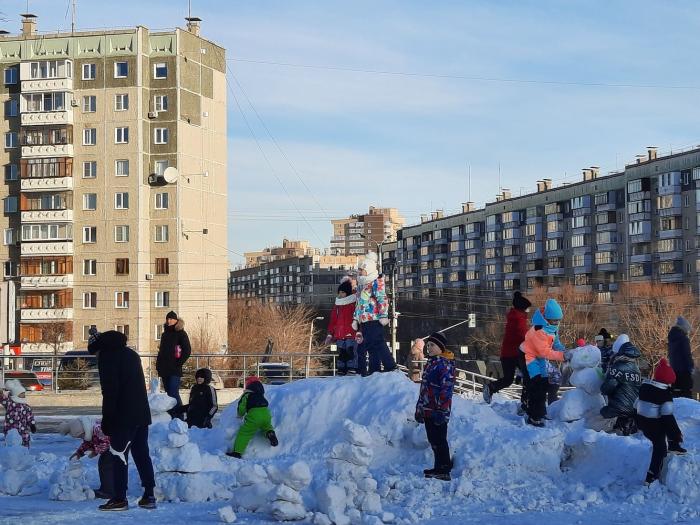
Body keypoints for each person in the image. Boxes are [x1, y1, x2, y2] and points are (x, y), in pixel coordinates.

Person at [88, 329, 156, 511]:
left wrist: (107, 419)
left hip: (123, 415)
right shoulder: (131, 354)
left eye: (95, 352)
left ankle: (119, 498)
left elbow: (110, 391)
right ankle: (149, 495)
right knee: (142, 454)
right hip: (141, 413)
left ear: (100, 348)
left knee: (119, 455)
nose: (95, 357)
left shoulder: (107, 358)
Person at [635, 358, 687, 485]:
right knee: (660, 447)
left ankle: (673, 444)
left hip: (642, 421)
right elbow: (668, 418)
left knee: (662, 429)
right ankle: (651, 476)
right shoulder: (664, 395)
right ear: (668, 381)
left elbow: (635, 405)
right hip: (652, 425)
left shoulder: (645, 387)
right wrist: (677, 435)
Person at [414, 332, 455, 481]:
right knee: (433, 439)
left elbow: (447, 389)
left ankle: (444, 469)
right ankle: (439, 466)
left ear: (441, 347)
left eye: (432, 345)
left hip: (438, 411)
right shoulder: (431, 363)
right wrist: (419, 408)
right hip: (428, 409)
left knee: (440, 439)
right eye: (428, 345)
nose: (429, 348)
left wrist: (442, 410)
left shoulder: (445, 364)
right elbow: (424, 388)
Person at [521, 300, 565, 427]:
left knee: (544, 384)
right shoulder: (538, 330)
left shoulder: (552, 328)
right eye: (554, 320)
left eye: (558, 320)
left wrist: (564, 350)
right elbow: (544, 352)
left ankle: (538, 411)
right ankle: (534, 416)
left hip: (539, 358)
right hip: (528, 357)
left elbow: (555, 343)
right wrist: (563, 356)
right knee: (537, 385)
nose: (556, 323)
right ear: (546, 318)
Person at [483, 291, 531, 404]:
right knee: (528, 377)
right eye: (528, 308)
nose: (529, 310)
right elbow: (524, 336)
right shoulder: (518, 319)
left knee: (509, 379)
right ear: (523, 308)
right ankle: (526, 400)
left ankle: (491, 388)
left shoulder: (515, 317)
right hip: (514, 354)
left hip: (508, 354)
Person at [352, 252, 396, 374]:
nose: (360, 272)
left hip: (374, 319)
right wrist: (356, 319)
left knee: (378, 342)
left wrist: (383, 315)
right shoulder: (362, 285)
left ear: (369, 270)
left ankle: (390, 365)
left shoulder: (376, 282)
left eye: (362, 270)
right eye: (359, 270)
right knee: (371, 345)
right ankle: (374, 369)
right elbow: (359, 304)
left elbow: (382, 299)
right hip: (365, 320)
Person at [59, 417, 113, 499]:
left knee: (106, 465)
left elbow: (105, 444)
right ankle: (113, 487)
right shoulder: (89, 430)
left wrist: (95, 451)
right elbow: (87, 443)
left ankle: (108, 491)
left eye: (81, 436)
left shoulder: (98, 430)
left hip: (115, 446)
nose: (81, 438)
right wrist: (79, 453)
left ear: (84, 431)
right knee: (105, 464)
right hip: (110, 447)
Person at [600, 334, 642, 435]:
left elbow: (606, 389)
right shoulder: (636, 369)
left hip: (618, 409)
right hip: (634, 409)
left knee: (597, 417)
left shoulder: (617, 367)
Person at [226, 376, 278, 458]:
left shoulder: (247, 395)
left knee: (244, 433)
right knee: (266, 427)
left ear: (248, 386)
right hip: (266, 414)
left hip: (254, 415)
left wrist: (240, 415)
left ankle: (237, 452)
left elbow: (241, 407)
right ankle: (270, 433)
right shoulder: (261, 395)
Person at [156, 311, 192, 416]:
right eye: (167, 319)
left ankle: (179, 417)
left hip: (175, 369)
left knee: (173, 393)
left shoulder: (181, 333)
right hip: (164, 369)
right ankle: (171, 416)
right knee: (168, 395)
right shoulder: (164, 334)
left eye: (171, 319)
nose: (169, 321)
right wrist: (158, 365)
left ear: (176, 320)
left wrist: (178, 363)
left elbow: (187, 350)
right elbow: (161, 351)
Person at [325, 277, 359, 375]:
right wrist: (330, 333)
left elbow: (356, 317)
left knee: (351, 351)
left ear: (347, 293)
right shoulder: (337, 306)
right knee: (342, 352)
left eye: (343, 292)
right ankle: (341, 368)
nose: (340, 295)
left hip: (351, 333)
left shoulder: (353, 304)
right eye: (339, 292)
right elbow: (333, 320)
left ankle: (351, 367)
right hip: (340, 334)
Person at [1, 379, 36, 448]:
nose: (23, 395)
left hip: (23, 428)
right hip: (11, 429)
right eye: (21, 394)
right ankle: (11, 455)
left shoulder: (26, 407)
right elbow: (2, 399)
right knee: (12, 443)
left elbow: (30, 416)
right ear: (16, 394)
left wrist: (32, 425)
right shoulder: (9, 404)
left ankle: (25, 453)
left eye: (24, 394)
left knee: (25, 440)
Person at [668, 316, 694, 399]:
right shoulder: (683, 339)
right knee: (686, 394)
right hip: (684, 371)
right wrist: (691, 367)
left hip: (673, 371)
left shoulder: (671, 338)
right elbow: (687, 355)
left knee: (676, 394)